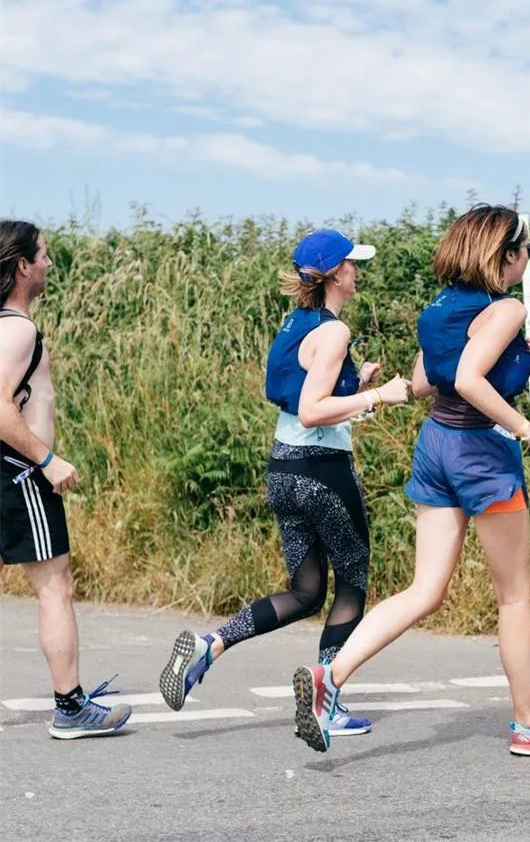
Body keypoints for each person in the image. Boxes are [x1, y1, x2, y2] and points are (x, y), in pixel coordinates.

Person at [292, 205, 530, 757]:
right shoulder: (506, 309)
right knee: (514, 597)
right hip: (482, 452)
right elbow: (470, 380)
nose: (529, 259)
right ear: (507, 255)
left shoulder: (440, 306)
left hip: (436, 446)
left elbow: (425, 382)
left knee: (424, 590)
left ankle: (331, 677)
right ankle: (528, 725)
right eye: (529, 250)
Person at [158, 229, 410, 736]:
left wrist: (355, 383)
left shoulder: (297, 323)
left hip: (284, 469)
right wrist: (378, 395)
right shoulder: (335, 333)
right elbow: (315, 411)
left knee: (306, 591)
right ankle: (326, 700)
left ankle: (211, 644)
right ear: (335, 274)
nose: (357, 271)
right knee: (352, 583)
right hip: (323, 471)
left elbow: (304, 396)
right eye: (351, 264)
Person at [0, 220, 132, 739]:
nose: (50, 263)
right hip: (18, 472)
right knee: (56, 587)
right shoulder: (18, 330)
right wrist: (47, 459)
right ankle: (71, 708)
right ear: (23, 266)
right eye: (44, 255)